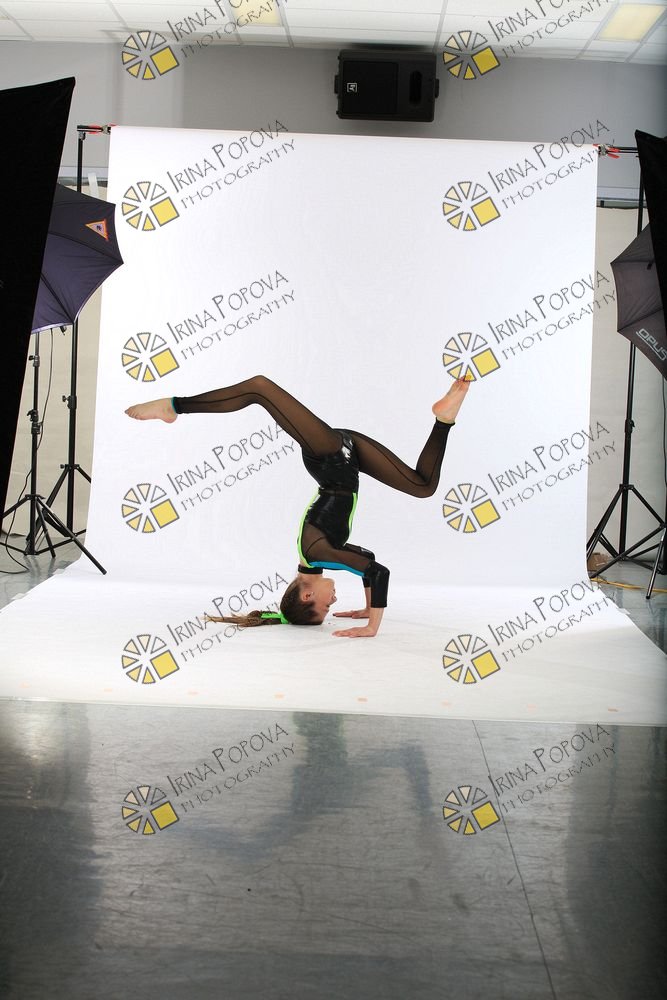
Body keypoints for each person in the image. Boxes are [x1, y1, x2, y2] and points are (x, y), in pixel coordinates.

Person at [125, 374, 469, 637]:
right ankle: (444, 419)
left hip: (330, 457)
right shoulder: (316, 557)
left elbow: (378, 572)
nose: (333, 602)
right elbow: (369, 561)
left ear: (307, 597)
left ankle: (173, 406)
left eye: (325, 606)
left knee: (260, 388)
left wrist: (372, 626)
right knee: (422, 486)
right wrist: (368, 607)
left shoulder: (318, 553)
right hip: (348, 458)